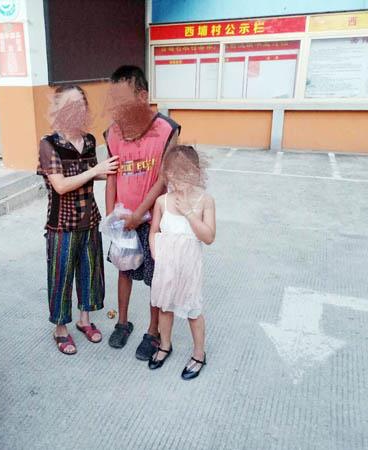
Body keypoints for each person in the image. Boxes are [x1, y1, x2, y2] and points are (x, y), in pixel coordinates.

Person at [104, 66, 181, 360]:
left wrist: (140, 214)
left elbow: (163, 177)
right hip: (123, 219)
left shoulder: (167, 129)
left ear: (142, 96)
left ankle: (153, 331)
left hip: (154, 221)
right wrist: (112, 217)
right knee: (123, 271)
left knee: (154, 276)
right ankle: (122, 322)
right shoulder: (113, 132)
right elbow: (112, 176)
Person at [37, 85, 119, 355]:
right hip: (61, 225)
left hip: (89, 220)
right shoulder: (49, 144)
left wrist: (114, 171)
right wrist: (96, 170)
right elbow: (60, 185)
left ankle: (85, 320)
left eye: (81, 104)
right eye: (70, 104)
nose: (77, 109)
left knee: (90, 272)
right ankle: (60, 329)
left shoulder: (90, 140)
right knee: (61, 277)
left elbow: (93, 172)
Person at [148, 145, 215, 380]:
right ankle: (165, 345)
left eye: (185, 173)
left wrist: (188, 212)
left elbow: (208, 237)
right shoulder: (162, 201)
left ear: (196, 172)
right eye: (173, 174)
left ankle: (199, 353)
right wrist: (156, 253)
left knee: (192, 310)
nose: (178, 180)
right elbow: (154, 231)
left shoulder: (205, 201)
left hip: (189, 267)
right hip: (166, 265)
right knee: (165, 307)